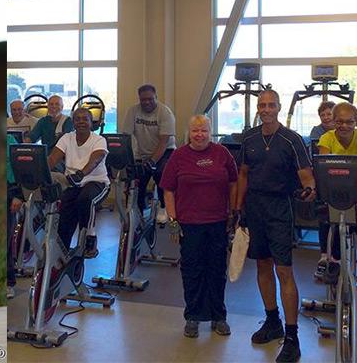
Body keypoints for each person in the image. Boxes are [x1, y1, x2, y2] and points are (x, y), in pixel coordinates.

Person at [232, 89, 315, 363]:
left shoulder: (292, 140)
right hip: (254, 207)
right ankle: (272, 321)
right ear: (258, 108)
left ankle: (292, 337)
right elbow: (243, 174)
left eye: (271, 105)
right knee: (262, 265)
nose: (266, 109)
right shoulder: (250, 138)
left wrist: (310, 189)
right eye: (262, 105)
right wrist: (237, 208)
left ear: (278, 108)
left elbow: (306, 175)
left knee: (284, 270)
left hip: (280, 208)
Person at [161, 115, 237, 338]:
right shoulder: (179, 156)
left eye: (204, 130)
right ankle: (192, 317)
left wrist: (233, 212)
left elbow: (234, 182)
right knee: (192, 270)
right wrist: (173, 220)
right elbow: (168, 190)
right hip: (189, 224)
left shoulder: (222, 153)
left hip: (218, 222)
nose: (200, 135)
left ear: (210, 131)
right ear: (189, 132)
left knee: (216, 270)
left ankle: (218, 316)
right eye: (195, 131)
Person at [315, 102, 357, 335]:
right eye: (339, 121)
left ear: (356, 122)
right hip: (336, 198)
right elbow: (322, 168)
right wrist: (322, 196)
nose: (344, 125)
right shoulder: (327, 138)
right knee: (334, 241)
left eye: (349, 121)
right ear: (333, 121)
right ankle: (334, 270)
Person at [48, 108, 108, 258]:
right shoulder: (66, 138)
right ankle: (61, 252)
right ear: (73, 122)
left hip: (97, 182)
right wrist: (42, 170)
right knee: (65, 211)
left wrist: (81, 174)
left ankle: (90, 237)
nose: (81, 121)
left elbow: (95, 160)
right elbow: (53, 159)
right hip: (73, 183)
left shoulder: (99, 140)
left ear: (90, 122)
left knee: (85, 199)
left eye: (85, 119)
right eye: (77, 119)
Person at [121, 84, 176, 224]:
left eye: (150, 99)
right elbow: (125, 137)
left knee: (160, 173)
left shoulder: (165, 113)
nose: (146, 102)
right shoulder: (133, 111)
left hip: (165, 151)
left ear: (156, 97)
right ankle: (139, 211)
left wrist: (152, 162)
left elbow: (164, 142)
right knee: (136, 180)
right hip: (142, 153)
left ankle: (164, 207)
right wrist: (128, 161)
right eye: (143, 99)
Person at [6, 133, 23, 299]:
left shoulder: (10, 141)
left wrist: (19, 194)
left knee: (6, 238)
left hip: (9, 190)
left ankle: (8, 282)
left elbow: (19, 169)